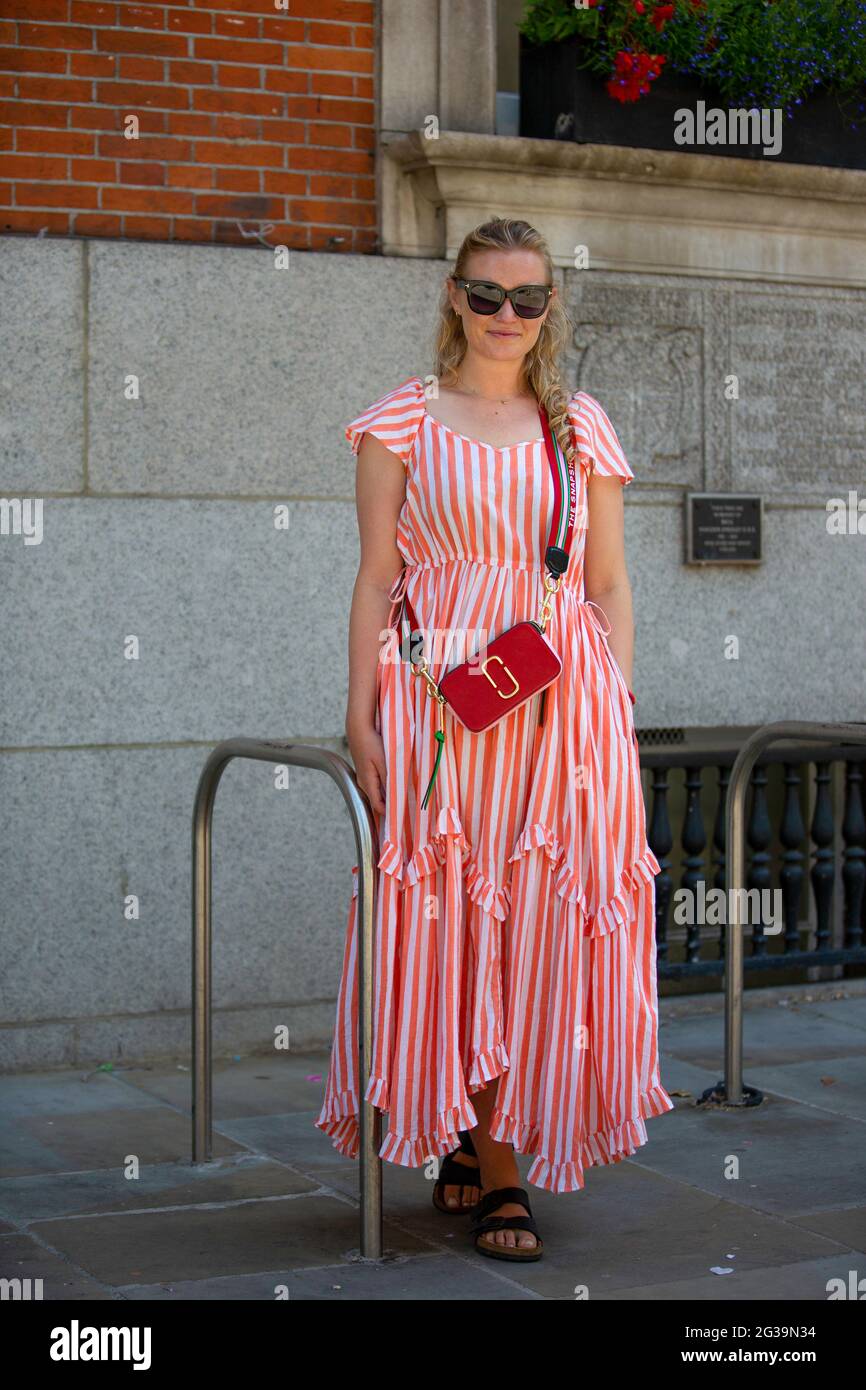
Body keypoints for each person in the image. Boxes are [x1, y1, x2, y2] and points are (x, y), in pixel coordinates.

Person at [316, 216, 673, 1262]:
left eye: (527, 298)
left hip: (562, 708)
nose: (506, 316)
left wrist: (612, 708)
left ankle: (487, 1146)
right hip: (439, 702)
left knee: (540, 924)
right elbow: (379, 574)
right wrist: (357, 711)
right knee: (457, 925)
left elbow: (605, 584)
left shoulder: (579, 431)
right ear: (452, 295)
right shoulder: (400, 421)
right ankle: (494, 1163)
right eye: (486, 295)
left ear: (549, 307)